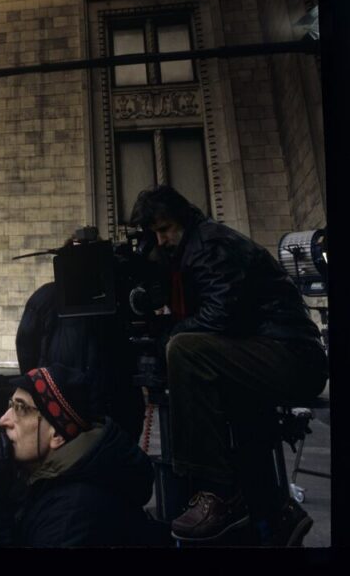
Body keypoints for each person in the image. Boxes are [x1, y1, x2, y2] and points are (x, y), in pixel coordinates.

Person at [129, 185, 328, 546]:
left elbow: (219, 317)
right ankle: (275, 510)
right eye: (154, 234)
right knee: (235, 405)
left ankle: (215, 492)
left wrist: (169, 336)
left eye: (165, 229)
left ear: (183, 218)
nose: (162, 240)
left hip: (291, 355)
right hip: (272, 351)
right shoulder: (194, 246)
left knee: (186, 350)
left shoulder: (208, 245)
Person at [0, 364, 164, 547]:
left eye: (21, 409)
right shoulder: (45, 477)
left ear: (57, 434)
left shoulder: (72, 513)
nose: (3, 420)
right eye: (10, 406)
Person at [16, 227, 146, 440]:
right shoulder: (46, 298)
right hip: (63, 412)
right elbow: (26, 350)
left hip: (114, 412)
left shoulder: (121, 299)